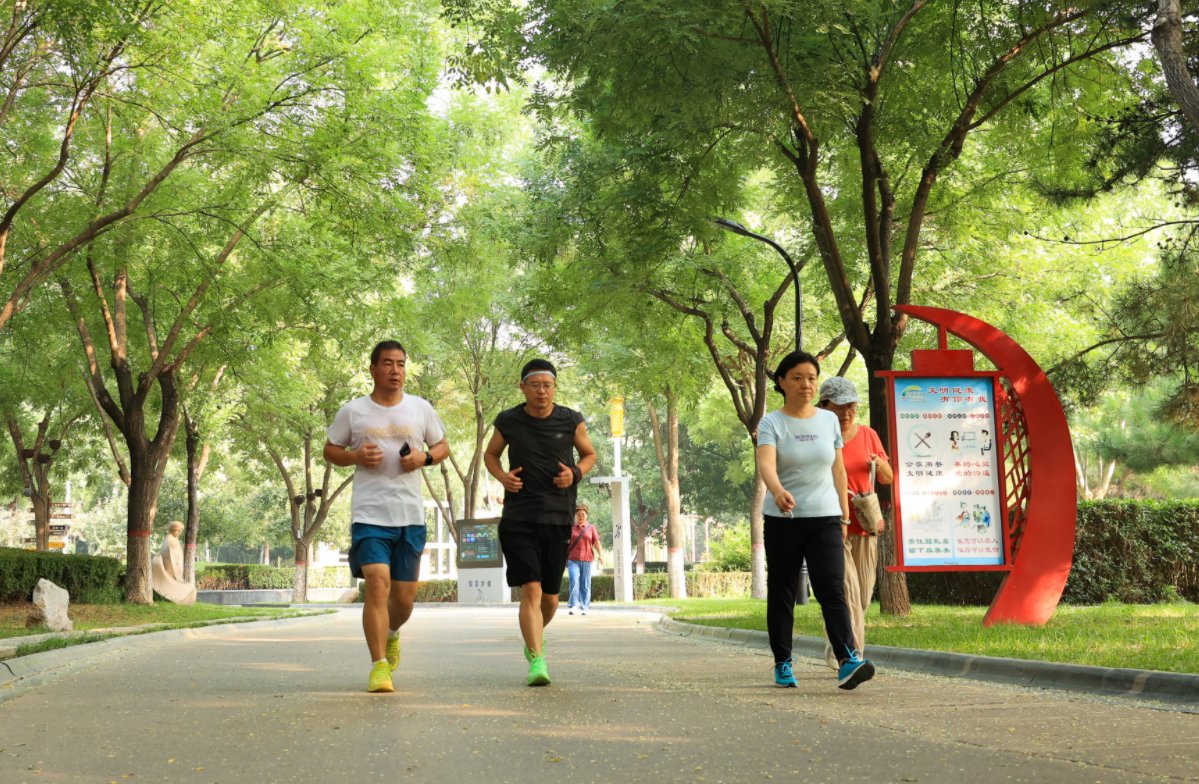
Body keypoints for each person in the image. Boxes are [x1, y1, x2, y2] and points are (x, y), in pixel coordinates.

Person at [323, 340, 449, 694]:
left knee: (404, 599)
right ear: (373, 369)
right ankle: (379, 666)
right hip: (369, 514)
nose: (396, 370)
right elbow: (330, 449)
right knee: (378, 584)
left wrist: (423, 459)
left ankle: (392, 633)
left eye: (401, 364)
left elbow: (442, 447)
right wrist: (356, 456)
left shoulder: (420, 408)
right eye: (388, 363)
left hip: (410, 516)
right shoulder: (354, 411)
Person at [755, 350, 875, 690]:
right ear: (782, 382)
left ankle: (848, 660)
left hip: (825, 517)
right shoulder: (772, 423)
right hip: (784, 518)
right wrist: (777, 490)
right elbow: (765, 463)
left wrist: (844, 514)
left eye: (811, 377)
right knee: (783, 591)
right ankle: (782, 663)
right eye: (797, 377)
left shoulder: (828, 421)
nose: (806, 384)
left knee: (832, 590)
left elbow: (837, 469)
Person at [484, 359, 597, 686]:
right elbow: (491, 454)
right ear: (523, 387)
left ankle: (533, 638)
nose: (542, 391)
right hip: (519, 517)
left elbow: (589, 455)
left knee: (549, 599)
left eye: (547, 385)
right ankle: (537, 658)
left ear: (554, 388)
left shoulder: (570, 420)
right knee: (530, 590)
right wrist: (502, 477)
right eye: (535, 385)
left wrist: (574, 473)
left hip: (558, 517)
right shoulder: (509, 420)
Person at [817, 376, 893, 670]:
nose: (846, 413)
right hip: (830, 523)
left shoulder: (868, 435)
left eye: (850, 406)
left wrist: (879, 461)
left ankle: (836, 647)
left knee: (860, 597)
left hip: (863, 524)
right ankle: (851, 656)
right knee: (845, 593)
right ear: (824, 407)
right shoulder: (818, 435)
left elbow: (887, 478)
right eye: (839, 407)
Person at [566, 503, 603, 615]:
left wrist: (600, 554)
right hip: (573, 559)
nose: (581, 516)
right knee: (574, 579)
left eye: (583, 514)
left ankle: (585, 606)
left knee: (585, 584)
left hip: (587, 560)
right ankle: (573, 605)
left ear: (586, 515)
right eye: (578, 514)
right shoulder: (570, 528)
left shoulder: (591, 528)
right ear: (575, 516)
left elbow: (596, 542)